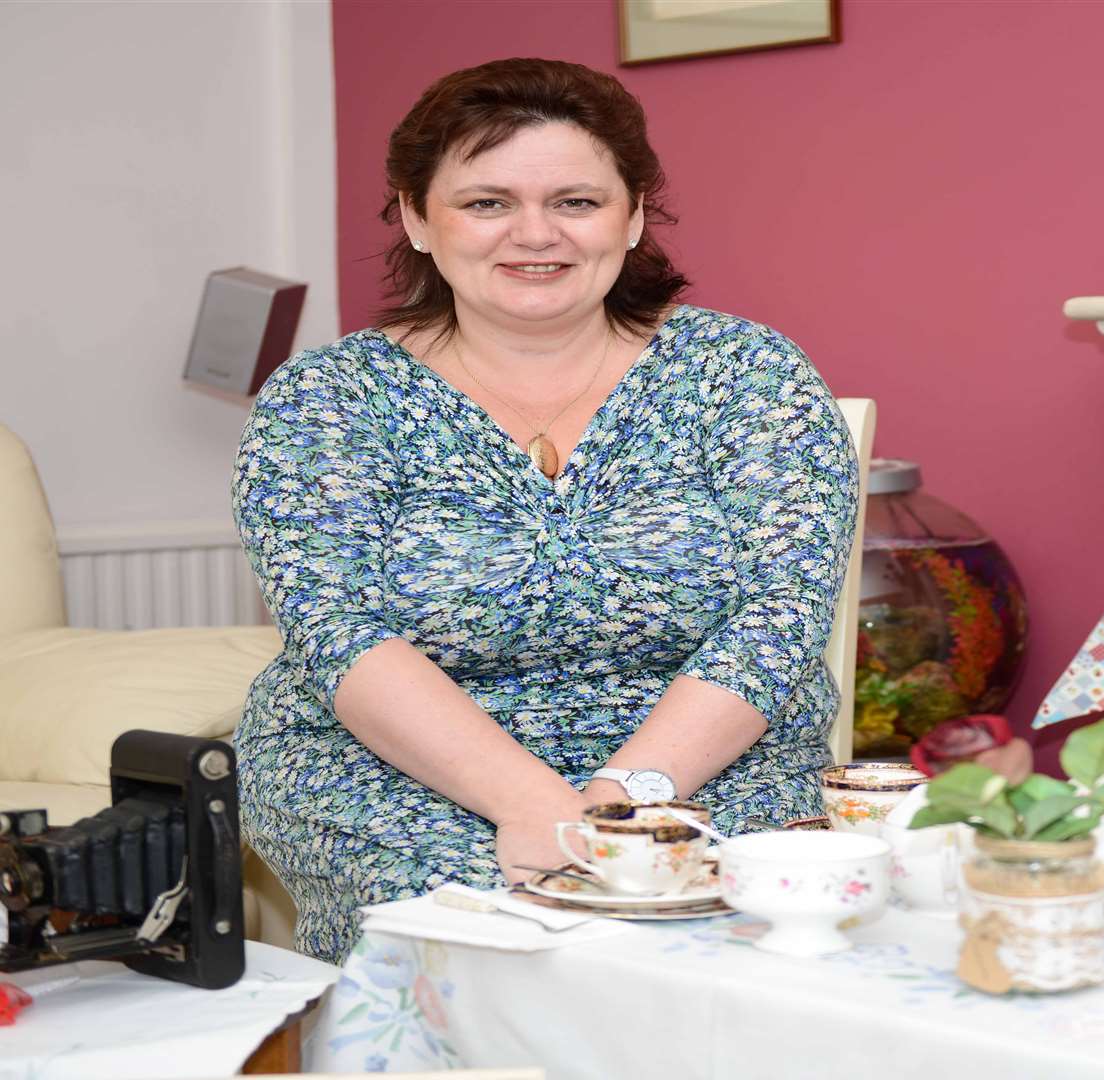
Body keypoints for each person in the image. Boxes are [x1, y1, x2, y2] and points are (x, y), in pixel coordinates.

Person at [231, 57, 858, 963]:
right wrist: (532, 807)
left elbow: (781, 616)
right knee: (477, 933)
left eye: (576, 201)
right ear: (416, 216)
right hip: (396, 772)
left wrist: (620, 798)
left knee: (718, 934)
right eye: (487, 202)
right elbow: (341, 636)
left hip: (711, 769)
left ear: (633, 214)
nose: (535, 235)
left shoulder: (745, 374)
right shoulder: (329, 396)